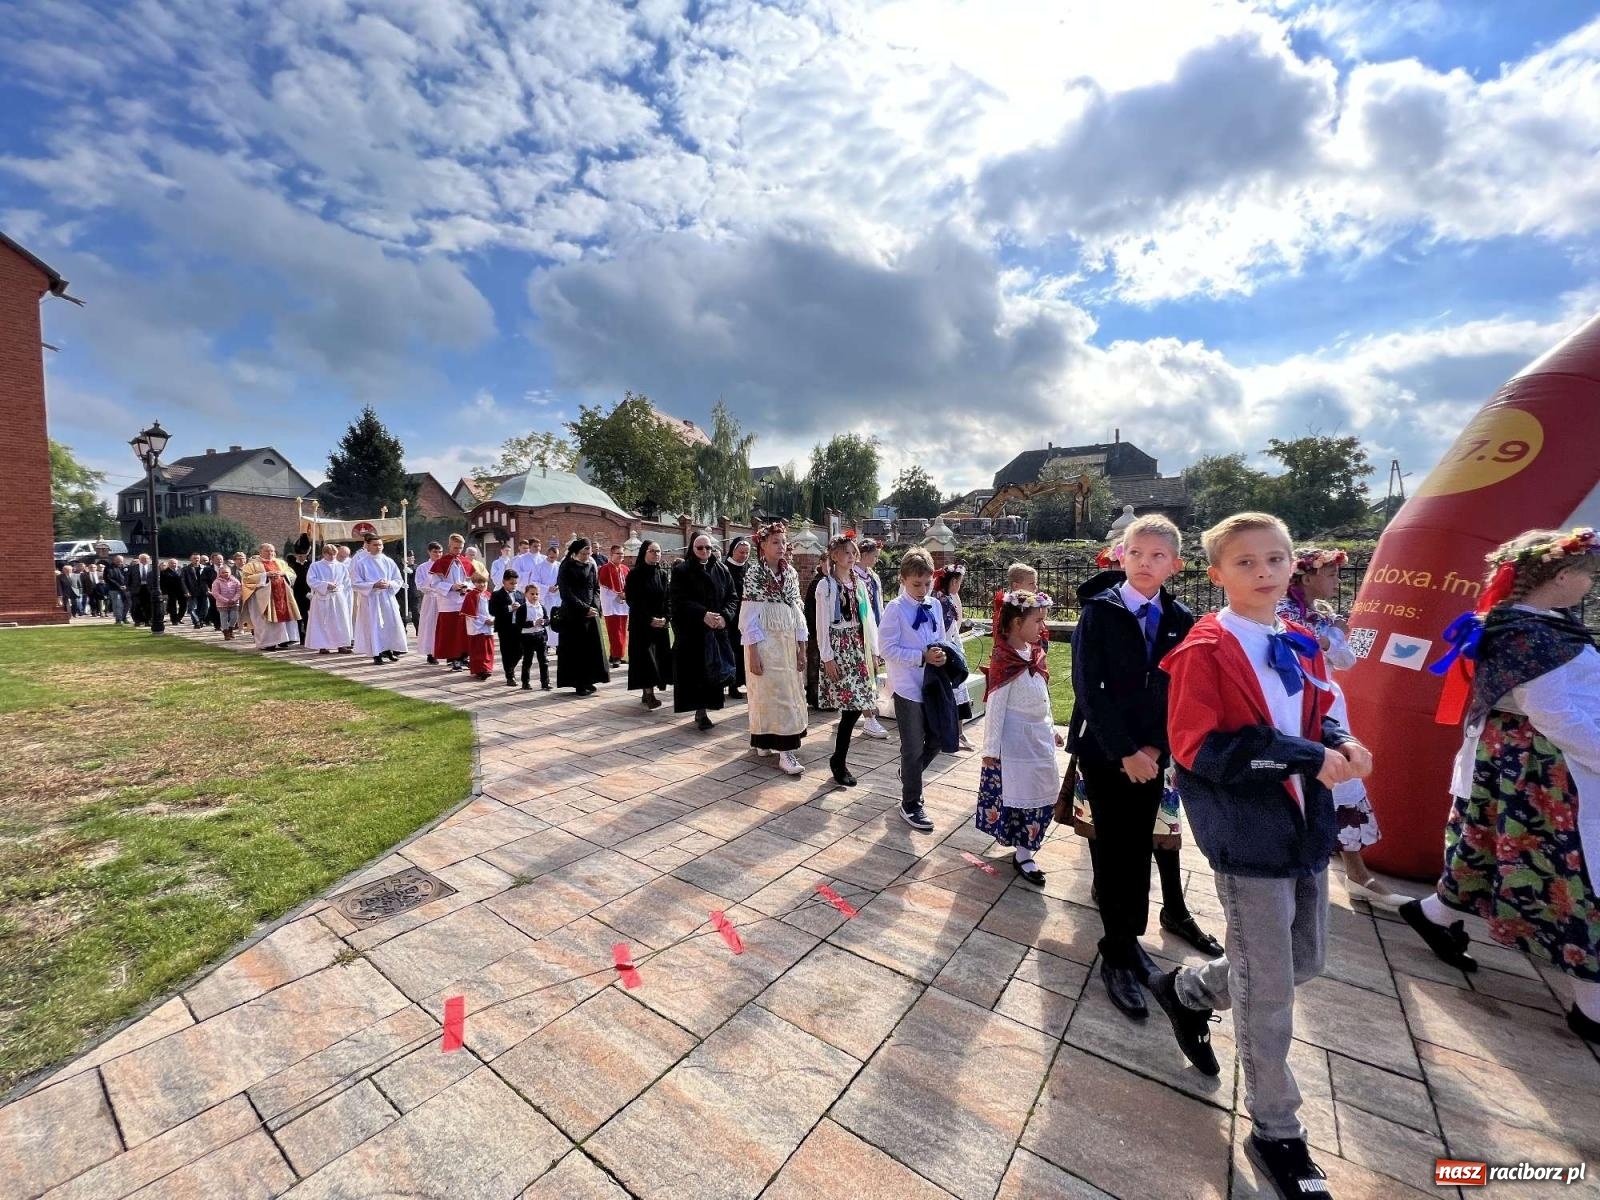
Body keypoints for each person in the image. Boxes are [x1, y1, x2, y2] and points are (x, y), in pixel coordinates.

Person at [1147, 512, 1369, 1200]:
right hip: (1249, 837)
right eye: (1244, 562)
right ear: (1217, 575)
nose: (1264, 571)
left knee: (1305, 961)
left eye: (1276, 558)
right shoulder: (1205, 650)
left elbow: (1312, 711)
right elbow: (1200, 750)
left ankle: (1186, 990)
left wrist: (1339, 740)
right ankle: (1278, 1129)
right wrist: (1311, 754)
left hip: (1305, 827)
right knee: (1268, 991)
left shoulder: (1297, 638)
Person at [1404, 527, 1600, 1044]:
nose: (1589, 585)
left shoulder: (1547, 625)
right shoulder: (1526, 636)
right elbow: (1554, 712)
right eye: (1587, 575)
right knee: (1570, 874)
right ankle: (1592, 1004)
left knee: (1485, 850)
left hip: (1526, 767)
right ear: (1561, 576)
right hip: (1542, 774)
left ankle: (1432, 913)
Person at [1071, 515, 1219, 1020]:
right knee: (1112, 849)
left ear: (1175, 565)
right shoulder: (1100, 611)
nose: (1145, 563)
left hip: (1152, 755)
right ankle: (1115, 950)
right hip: (1108, 751)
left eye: (1158, 556)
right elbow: (1089, 689)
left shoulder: (1182, 618)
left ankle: (1128, 937)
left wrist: (1155, 748)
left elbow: (1180, 690)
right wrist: (1125, 751)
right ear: (1121, 556)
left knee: (1138, 845)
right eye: (1136, 553)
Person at [1279, 547, 1408, 909]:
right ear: (1306, 577)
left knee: (1344, 776)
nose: (1336, 582)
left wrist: (1328, 637)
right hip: (1295, 701)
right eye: (1331, 574)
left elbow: (1345, 658)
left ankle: (1356, 872)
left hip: (1328, 701)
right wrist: (1326, 638)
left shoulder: (1322, 615)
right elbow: (1294, 648)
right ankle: (1300, 865)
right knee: (1303, 779)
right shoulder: (1281, 611)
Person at [981, 590, 1062, 885]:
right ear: (1016, 623)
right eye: (1038, 620)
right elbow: (996, 707)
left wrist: (1051, 729)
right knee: (1025, 799)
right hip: (1017, 745)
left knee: (1047, 793)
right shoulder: (1005, 660)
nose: (1043, 627)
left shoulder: (1035, 654)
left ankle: (1027, 847)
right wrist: (991, 748)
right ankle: (1024, 852)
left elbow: (1044, 698)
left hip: (1038, 739)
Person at [878, 548, 949, 832]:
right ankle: (911, 803)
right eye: (916, 584)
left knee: (937, 739)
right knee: (911, 746)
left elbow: (941, 638)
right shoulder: (896, 609)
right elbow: (886, 648)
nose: (922, 589)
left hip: (931, 685)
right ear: (903, 580)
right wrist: (920, 656)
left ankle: (910, 775)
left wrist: (943, 655)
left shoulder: (935, 605)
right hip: (907, 687)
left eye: (927, 583)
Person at [739, 523, 807, 775]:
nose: (781, 546)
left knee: (788, 692)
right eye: (776, 542)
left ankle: (784, 747)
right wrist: (753, 652)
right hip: (765, 643)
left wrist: (801, 648)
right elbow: (749, 615)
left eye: (783, 542)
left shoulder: (790, 574)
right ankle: (768, 741)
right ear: (763, 545)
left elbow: (797, 612)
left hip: (786, 642)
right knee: (766, 692)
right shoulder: (755, 574)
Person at [815, 533, 878, 787]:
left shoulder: (859, 584)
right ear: (834, 556)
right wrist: (827, 657)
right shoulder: (826, 586)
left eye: (854, 553)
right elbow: (821, 625)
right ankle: (839, 762)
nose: (851, 557)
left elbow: (868, 619)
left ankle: (838, 760)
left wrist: (873, 651)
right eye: (846, 553)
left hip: (857, 646)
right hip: (839, 647)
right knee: (851, 708)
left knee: (856, 707)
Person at [670, 533, 738, 729]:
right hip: (694, 632)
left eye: (708, 548)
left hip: (717, 629)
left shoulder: (722, 569)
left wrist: (725, 616)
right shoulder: (682, 571)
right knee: (696, 673)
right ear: (692, 548)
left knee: (713, 673)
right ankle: (700, 712)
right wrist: (702, 614)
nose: (704, 552)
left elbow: (732, 597)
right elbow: (678, 599)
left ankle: (707, 708)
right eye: (700, 548)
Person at [555, 538, 608, 695]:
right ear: (575, 553)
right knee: (577, 651)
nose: (586, 556)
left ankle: (590, 679)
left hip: (590, 613)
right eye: (584, 553)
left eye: (588, 553)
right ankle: (579, 683)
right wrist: (584, 608)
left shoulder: (591, 565)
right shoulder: (566, 567)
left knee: (591, 649)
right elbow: (566, 593)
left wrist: (595, 607)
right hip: (573, 614)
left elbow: (595, 588)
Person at [624, 540, 672, 710]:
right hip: (642, 625)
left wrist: (666, 618)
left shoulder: (663, 575)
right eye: (652, 551)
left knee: (659, 659)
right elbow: (632, 601)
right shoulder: (634, 575)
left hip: (660, 625)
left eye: (658, 551)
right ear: (644, 552)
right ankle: (649, 693)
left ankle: (648, 690)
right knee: (646, 660)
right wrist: (648, 619)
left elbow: (668, 599)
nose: (656, 554)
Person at [934, 564, 976, 752]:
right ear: (953, 582)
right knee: (952, 693)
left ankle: (957, 732)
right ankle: (952, 733)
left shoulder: (946, 599)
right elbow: (945, 630)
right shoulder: (941, 601)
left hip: (952, 649)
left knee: (958, 693)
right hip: (947, 651)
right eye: (959, 582)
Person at [350, 535, 408, 665]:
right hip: (371, 599)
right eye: (375, 545)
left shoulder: (388, 561)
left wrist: (389, 584)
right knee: (374, 625)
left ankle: (389, 649)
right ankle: (376, 653)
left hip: (386, 598)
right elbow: (355, 582)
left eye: (380, 545)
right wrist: (373, 585)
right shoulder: (361, 563)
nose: (378, 547)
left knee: (389, 624)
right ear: (368, 546)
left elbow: (398, 579)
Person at [854, 539, 890, 739]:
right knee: (864, 671)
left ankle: (866, 708)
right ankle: (867, 714)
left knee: (873, 669)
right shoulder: (853, 576)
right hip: (859, 629)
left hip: (873, 626)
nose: (876, 559)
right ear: (864, 554)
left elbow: (879, 604)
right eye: (874, 555)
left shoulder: (873, 577)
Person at [240, 544, 301, 650]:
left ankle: (284, 640)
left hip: (283, 596)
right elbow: (246, 579)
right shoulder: (252, 565)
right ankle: (268, 643)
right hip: (263, 598)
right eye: (267, 551)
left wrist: (283, 573)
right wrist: (265, 575)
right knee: (266, 622)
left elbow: (292, 575)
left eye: (272, 551)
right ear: (260, 552)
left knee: (284, 619)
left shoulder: (281, 562)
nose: (270, 553)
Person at [428, 535, 473, 669]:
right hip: (448, 602)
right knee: (451, 631)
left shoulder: (465, 562)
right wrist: (451, 587)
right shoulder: (441, 562)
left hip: (462, 600)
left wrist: (466, 586)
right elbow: (435, 584)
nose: (458, 550)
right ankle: (452, 658)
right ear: (449, 546)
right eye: (455, 547)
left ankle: (463, 656)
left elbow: (470, 580)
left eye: (460, 548)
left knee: (463, 631)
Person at [305, 545, 354, 654]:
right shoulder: (316, 566)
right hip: (322, 597)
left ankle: (341, 644)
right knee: (323, 622)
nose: (332, 556)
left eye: (334, 554)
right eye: (329, 554)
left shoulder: (341, 566)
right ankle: (322, 645)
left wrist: (338, 587)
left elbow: (346, 582)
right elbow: (311, 580)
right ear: (324, 554)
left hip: (337, 597)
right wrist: (326, 585)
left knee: (340, 621)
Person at [489, 570, 529, 687]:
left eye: (515, 583)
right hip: (505, 627)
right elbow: (492, 611)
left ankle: (510, 668)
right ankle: (510, 676)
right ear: (504, 582)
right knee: (507, 652)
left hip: (518, 627)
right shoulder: (497, 594)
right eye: (511, 583)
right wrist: (509, 608)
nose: (514, 586)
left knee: (520, 650)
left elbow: (525, 610)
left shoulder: (520, 594)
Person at [724, 537, 751, 701]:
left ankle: (746, 681)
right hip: (732, 618)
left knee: (746, 651)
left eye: (747, 553)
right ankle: (732, 684)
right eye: (741, 552)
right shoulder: (725, 568)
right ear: (733, 551)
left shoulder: (749, 569)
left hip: (747, 616)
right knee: (732, 651)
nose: (744, 556)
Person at [460, 558, 495, 680]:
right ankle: (480, 669)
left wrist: (492, 619)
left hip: (488, 626)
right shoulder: (471, 595)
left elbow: (492, 609)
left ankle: (487, 668)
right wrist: (483, 621)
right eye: (479, 582)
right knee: (479, 650)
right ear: (474, 583)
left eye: (484, 582)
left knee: (488, 649)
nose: (482, 585)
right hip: (477, 627)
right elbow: (470, 613)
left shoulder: (488, 595)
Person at [598, 543, 630, 668]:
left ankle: (617, 655)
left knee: (622, 630)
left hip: (623, 603)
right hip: (611, 603)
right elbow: (605, 584)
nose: (621, 556)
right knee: (614, 631)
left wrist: (625, 594)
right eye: (618, 553)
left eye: (622, 553)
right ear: (611, 554)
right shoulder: (605, 568)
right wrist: (618, 593)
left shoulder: (625, 568)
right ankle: (615, 656)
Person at [530, 541, 563, 654]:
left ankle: (558, 644)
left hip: (557, 597)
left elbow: (562, 580)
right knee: (546, 619)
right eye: (551, 557)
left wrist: (558, 587)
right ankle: (546, 644)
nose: (553, 559)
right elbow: (534, 581)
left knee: (557, 620)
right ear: (547, 554)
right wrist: (547, 588)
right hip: (545, 598)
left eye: (555, 557)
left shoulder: (559, 566)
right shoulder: (539, 567)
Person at [804, 560, 827, 709]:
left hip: (827, 632)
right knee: (815, 664)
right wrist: (815, 630)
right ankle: (814, 696)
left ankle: (825, 697)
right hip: (816, 631)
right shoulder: (816, 583)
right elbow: (810, 609)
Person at [415, 543, 443, 658]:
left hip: (444, 599)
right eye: (435, 552)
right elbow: (420, 585)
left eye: (440, 552)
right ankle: (430, 652)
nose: (438, 554)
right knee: (430, 625)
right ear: (429, 552)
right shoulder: (423, 567)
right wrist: (432, 575)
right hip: (431, 599)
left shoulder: (446, 565)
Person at [288, 538, 314, 645]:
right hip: (297, 594)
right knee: (299, 616)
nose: (301, 557)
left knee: (309, 616)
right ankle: (300, 636)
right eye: (299, 556)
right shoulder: (292, 565)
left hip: (310, 593)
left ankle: (309, 635)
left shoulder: (312, 564)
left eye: (303, 555)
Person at [211, 564, 242, 639]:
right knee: (224, 618)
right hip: (222, 604)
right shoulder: (216, 582)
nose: (225, 574)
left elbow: (239, 590)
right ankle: (226, 632)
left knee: (234, 617)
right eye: (223, 572)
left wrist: (234, 599)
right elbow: (216, 593)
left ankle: (230, 629)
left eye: (227, 572)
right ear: (220, 573)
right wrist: (226, 600)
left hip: (234, 603)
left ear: (230, 572)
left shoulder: (235, 580)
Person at [334, 546, 355, 646]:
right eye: (341, 556)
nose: (343, 558)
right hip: (333, 593)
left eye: (345, 557)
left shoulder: (351, 562)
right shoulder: (331, 562)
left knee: (347, 615)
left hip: (347, 592)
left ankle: (348, 638)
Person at [181, 553, 208, 628]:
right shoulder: (185, 569)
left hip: (203, 591)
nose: (196, 560)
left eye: (198, 558)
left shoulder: (204, 568)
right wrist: (186, 591)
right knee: (192, 608)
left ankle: (200, 620)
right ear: (191, 559)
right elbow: (183, 581)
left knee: (203, 608)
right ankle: (196, 622)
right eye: (194, 558)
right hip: (191, 591)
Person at [103, 554, 130, 624]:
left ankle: (124, 618)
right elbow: (108, 578)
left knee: (127, 604)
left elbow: (129, 577)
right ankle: (118, 619)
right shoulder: (109, 568)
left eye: (121, 561)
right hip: (114, 589)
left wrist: (126, 586)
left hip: (126, 589)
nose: (119, 563)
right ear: (114, 560)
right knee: (117, 604)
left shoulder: (126, 567)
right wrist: (119, 586)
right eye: (118, 561)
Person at [160, 558, 186, 625]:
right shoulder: (164, 572)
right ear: (168, 564)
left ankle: (179, 618)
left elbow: (185, 581)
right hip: (170, 591)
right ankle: (174, 620)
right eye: (171, 563)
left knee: (183, 606)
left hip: (181, 591)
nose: (173, 564)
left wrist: (186, 591)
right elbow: (162, 584)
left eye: (175, 563)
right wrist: (164, 593)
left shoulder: (181, 570)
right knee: (172, 606)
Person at [208, 554, 227, 630]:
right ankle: (217, 625)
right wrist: (207, 589)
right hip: (213, 592)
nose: (219, 561)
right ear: (212, 560)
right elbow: (203, 581)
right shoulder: (208, 569)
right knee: (215, 608)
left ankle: (225, 624)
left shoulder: (227, 568)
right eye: (217, 559)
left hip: (226, 592)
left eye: (221, 559)